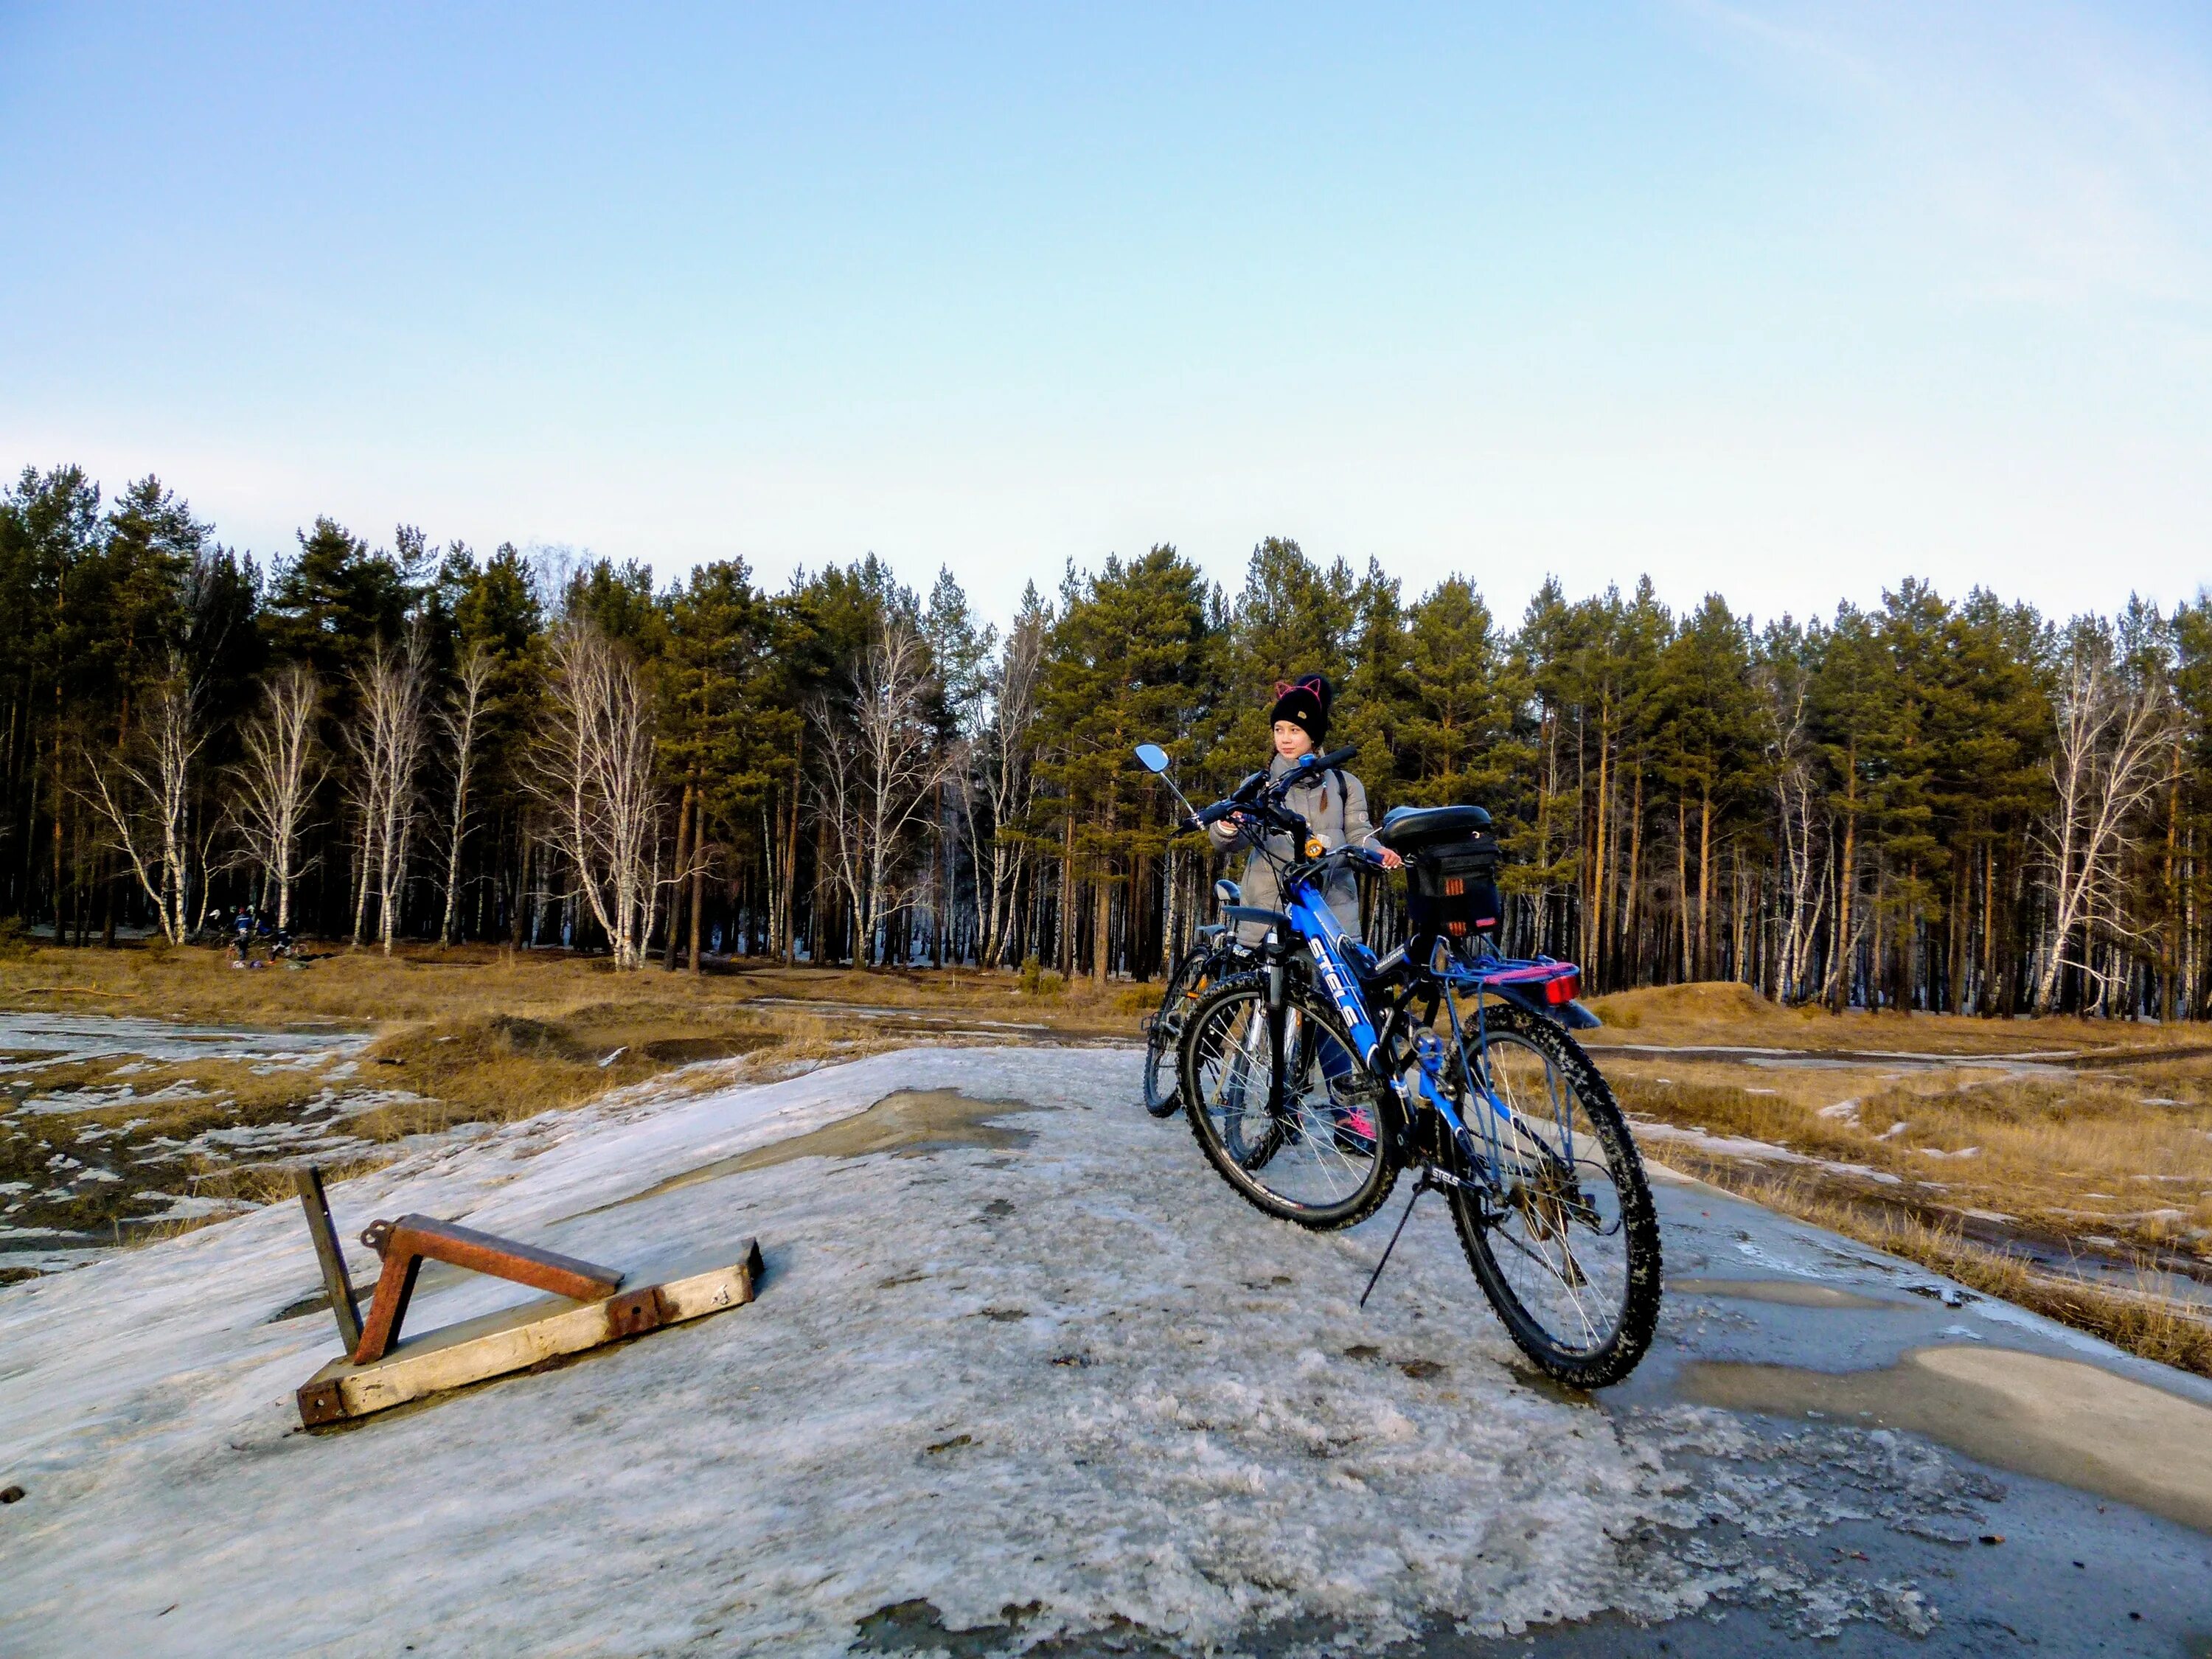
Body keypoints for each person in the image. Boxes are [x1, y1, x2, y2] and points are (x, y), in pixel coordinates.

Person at [1209, 674, 1402, 948]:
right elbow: (1233, 840)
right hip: (1269, 912)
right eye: (1279, 730)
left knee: (1331, 976)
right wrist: (1228, 827)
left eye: (1295, 730)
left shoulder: (1345, 785)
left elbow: (1360, 835)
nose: (1285, 739)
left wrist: (1377, 851)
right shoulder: (1259, 784)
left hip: (1332, 911)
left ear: (1313, 735)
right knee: (1269, 977)